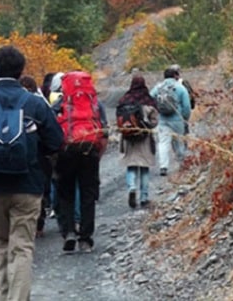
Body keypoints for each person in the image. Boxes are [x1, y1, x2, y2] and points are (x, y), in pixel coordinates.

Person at [0, 46, 63, 301]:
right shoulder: (35, 104)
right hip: (28, 184)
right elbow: (56, 141)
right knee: (22, 247)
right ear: (21, 71)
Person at [51, 71, 108, 253]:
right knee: (88, 195)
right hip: (90, 151)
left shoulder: (59, 104)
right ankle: (85, 238)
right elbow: (104, 131)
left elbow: (52, 133)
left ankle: (68, 232)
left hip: (67, 152)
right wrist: (98, 155)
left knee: (66, 193)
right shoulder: (96, 105)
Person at [117, 74, 159, 208]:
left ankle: (131, 188)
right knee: (144, 168)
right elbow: (155, 121)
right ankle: (144, 197)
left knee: (131, 165)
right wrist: (147, 125)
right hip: (144, 138)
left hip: (128, 138)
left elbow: (119, 119)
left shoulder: (124, 99)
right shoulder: (148, 100)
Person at [19, 75, 52, 238]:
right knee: (39, 190)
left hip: (15, 154)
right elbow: (53, 134)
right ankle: (38, 223)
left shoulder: (10, 103)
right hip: (38, 153)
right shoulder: (39, 102)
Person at [150, 68, 192, 176]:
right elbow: (187, 106)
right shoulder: (180, 87)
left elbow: (150, 98)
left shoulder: (158, 87)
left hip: (163, 119)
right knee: (179, 141)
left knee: (163, 143)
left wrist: (156, 112)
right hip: (177, 119)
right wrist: (185, 119)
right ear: (175, 75)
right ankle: (181, 164)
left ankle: (163, 167)